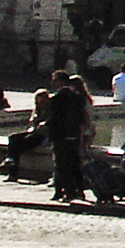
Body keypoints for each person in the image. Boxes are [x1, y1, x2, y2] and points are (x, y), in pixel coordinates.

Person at [45, 71, 91, 203]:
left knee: (61, 164)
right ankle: (79, 189)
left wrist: (45, 126)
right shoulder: (78, 97)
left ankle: (65, 191)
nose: (52, 82)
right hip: (74, 134)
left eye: (54, 80)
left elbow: (54, 118)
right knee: (75, 162)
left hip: (61, 135)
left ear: (60, 81)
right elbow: (81, 117)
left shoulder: (56, 98)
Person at [0, 89, 53, 181]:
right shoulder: (37, 111)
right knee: (13, 137)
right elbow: (32, 124)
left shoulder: (51, 111)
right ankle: (10, 161)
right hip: (34, 132)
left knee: (17, 147)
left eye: (42, 100)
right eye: (38, 101)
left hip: (43, 135)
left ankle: (12, 169)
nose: (40, 103)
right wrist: (33, 120)